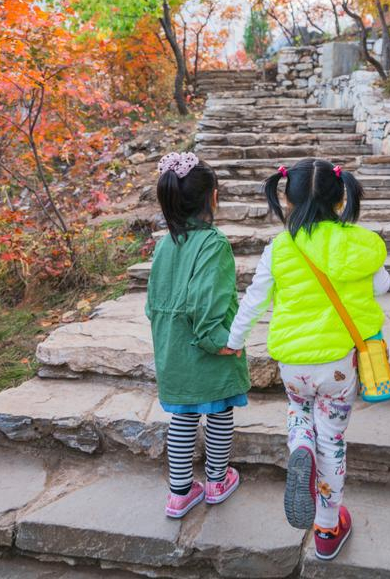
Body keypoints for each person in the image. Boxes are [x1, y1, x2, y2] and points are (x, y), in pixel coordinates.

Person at [226, 158, 390, 561]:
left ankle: (300, 445)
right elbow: (382, 285)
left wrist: (234, 340)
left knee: (299, 411)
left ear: (288, 200)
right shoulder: (357, 244)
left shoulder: (279, 249)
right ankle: (327, 528)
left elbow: (254, 299)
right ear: (341, 200)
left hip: (293, 364)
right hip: (337, 365)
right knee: (331, 440)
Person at [146, 151, 249, 520]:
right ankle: (217, 482)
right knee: (219, 412)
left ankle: (179, 493)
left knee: (183, 417)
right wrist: (221, 343)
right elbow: (207, 303)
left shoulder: (165, 244)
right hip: (208, 347)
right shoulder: (213, 244)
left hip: (173, 349)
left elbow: (153, 302)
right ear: (213, 198)